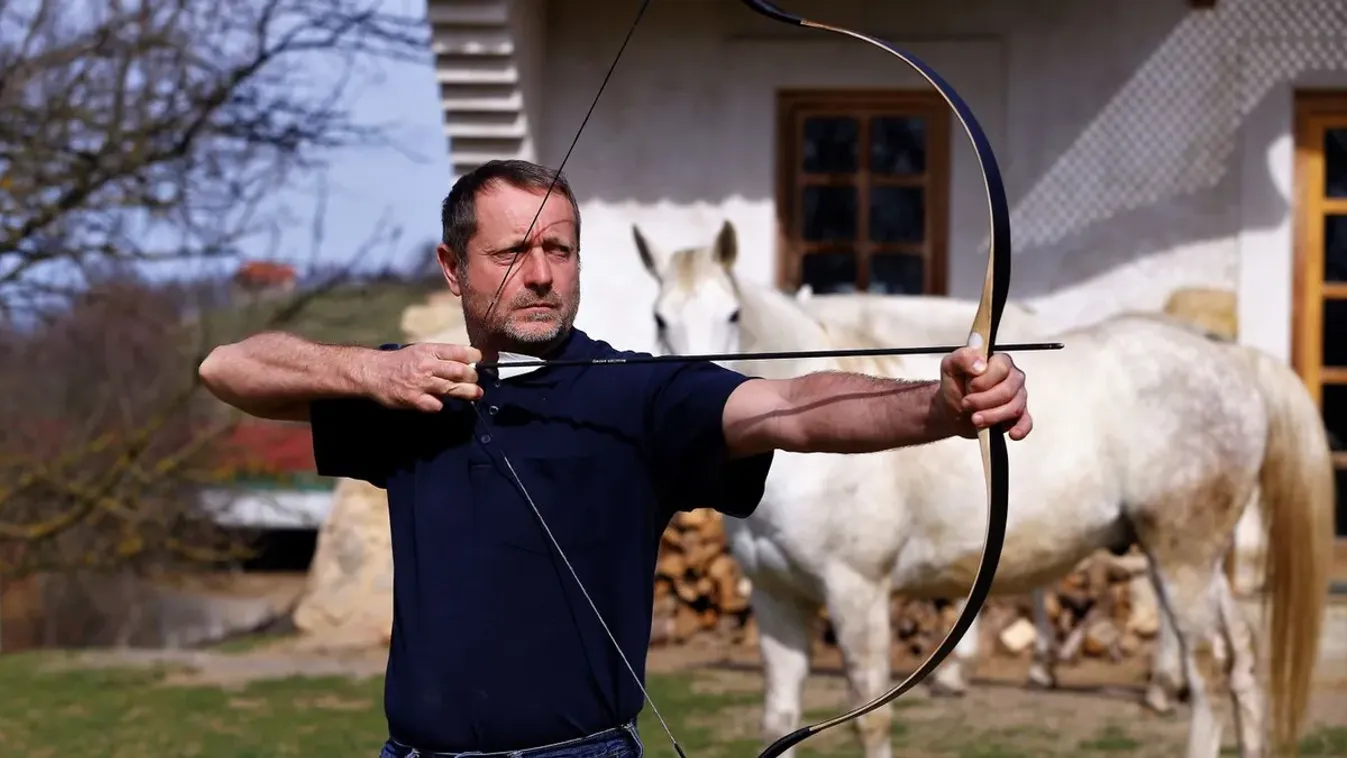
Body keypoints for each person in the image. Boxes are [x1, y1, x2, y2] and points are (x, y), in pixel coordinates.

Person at [198, 159, 1032, 758]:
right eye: (512, 253)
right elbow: (228, 367)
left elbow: (791, 406)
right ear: (453, 269)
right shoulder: (416, 392)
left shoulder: (637, 394)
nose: (540, 275)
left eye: (559, 251)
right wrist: (368, 371)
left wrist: (937, 408)